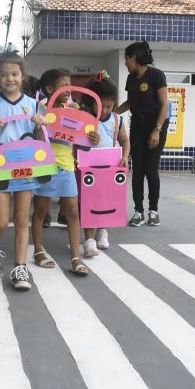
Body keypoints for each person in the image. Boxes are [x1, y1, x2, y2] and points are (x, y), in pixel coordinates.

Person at [0, 51, 46, 290]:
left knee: (22, 219)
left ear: (23, 76)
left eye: (14, 74)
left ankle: (20, 267)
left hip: (26, 165)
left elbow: (42, 140)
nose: (9, 79)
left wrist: (41, 125)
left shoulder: (33, 104)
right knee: (2, 221)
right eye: (4, 75)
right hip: (0, 166)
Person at [31, 69, 99, 275]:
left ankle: (75, 257)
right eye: (64, 86)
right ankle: (38, 251)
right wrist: (41, 124)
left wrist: (91, 139)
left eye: (70, 85)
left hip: (67, 166)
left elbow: (83, 143)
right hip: (45, 165)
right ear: (50, 89)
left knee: (72, 210)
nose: (69, 90)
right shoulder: (41, 109)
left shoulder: (74, 110)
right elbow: (37, 140)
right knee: (41, 212)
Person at [115, 41, 170, 227]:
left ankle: (153, 210)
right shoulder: (131, 79)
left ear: (135, 58)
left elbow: (164, 104)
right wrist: (113, 113)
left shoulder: (156, 75)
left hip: (156, 125)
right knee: (137, 170)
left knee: (151, 169)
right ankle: (138, 211)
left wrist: (157, 129)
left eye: (127, 59)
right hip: (137, 125)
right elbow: (130, 102)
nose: (125, 62)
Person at [81, 76, 130, 255]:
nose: (105, 110)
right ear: (93, 102)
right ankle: (89, 240)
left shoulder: (117, 120)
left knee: (106, 200)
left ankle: (103, 231)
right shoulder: (85, 118)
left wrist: (124, 157)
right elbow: (76, 142)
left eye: (109, 106)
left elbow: (125, 141)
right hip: (89, 167)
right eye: (101, 106)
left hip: (110, 166)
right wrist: (86, 138)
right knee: (89, 202)